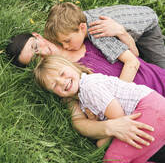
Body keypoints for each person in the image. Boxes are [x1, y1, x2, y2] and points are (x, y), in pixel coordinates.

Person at [6, 32, 165, 161]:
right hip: (142, 111)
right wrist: (105, 126)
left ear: (38, 35)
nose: (42, 53)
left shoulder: (81, 37)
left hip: (152, 94)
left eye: (35, 46)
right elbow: (80, 121)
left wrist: (121, 31)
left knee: (115, 157)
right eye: (34, 61)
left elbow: (132, 60)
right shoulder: (71, 89)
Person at [34, 55, 165, 163]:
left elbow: (119, 117)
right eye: (55, 84)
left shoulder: (89, 86)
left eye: (62, 73)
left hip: (149, 108)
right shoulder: (81, 97)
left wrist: (103, 139)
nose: (62, 82)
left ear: (72, 66)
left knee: (114, 158)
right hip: (150, 109)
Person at [44, 2, 165, 69]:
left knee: (161, 69)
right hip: (127, 20)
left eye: (67, 41)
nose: (65, 47)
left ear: (82, 27)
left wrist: (122, 33)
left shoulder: (98, 31)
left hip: (145, 28)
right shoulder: (74, 19)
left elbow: (134, 55)